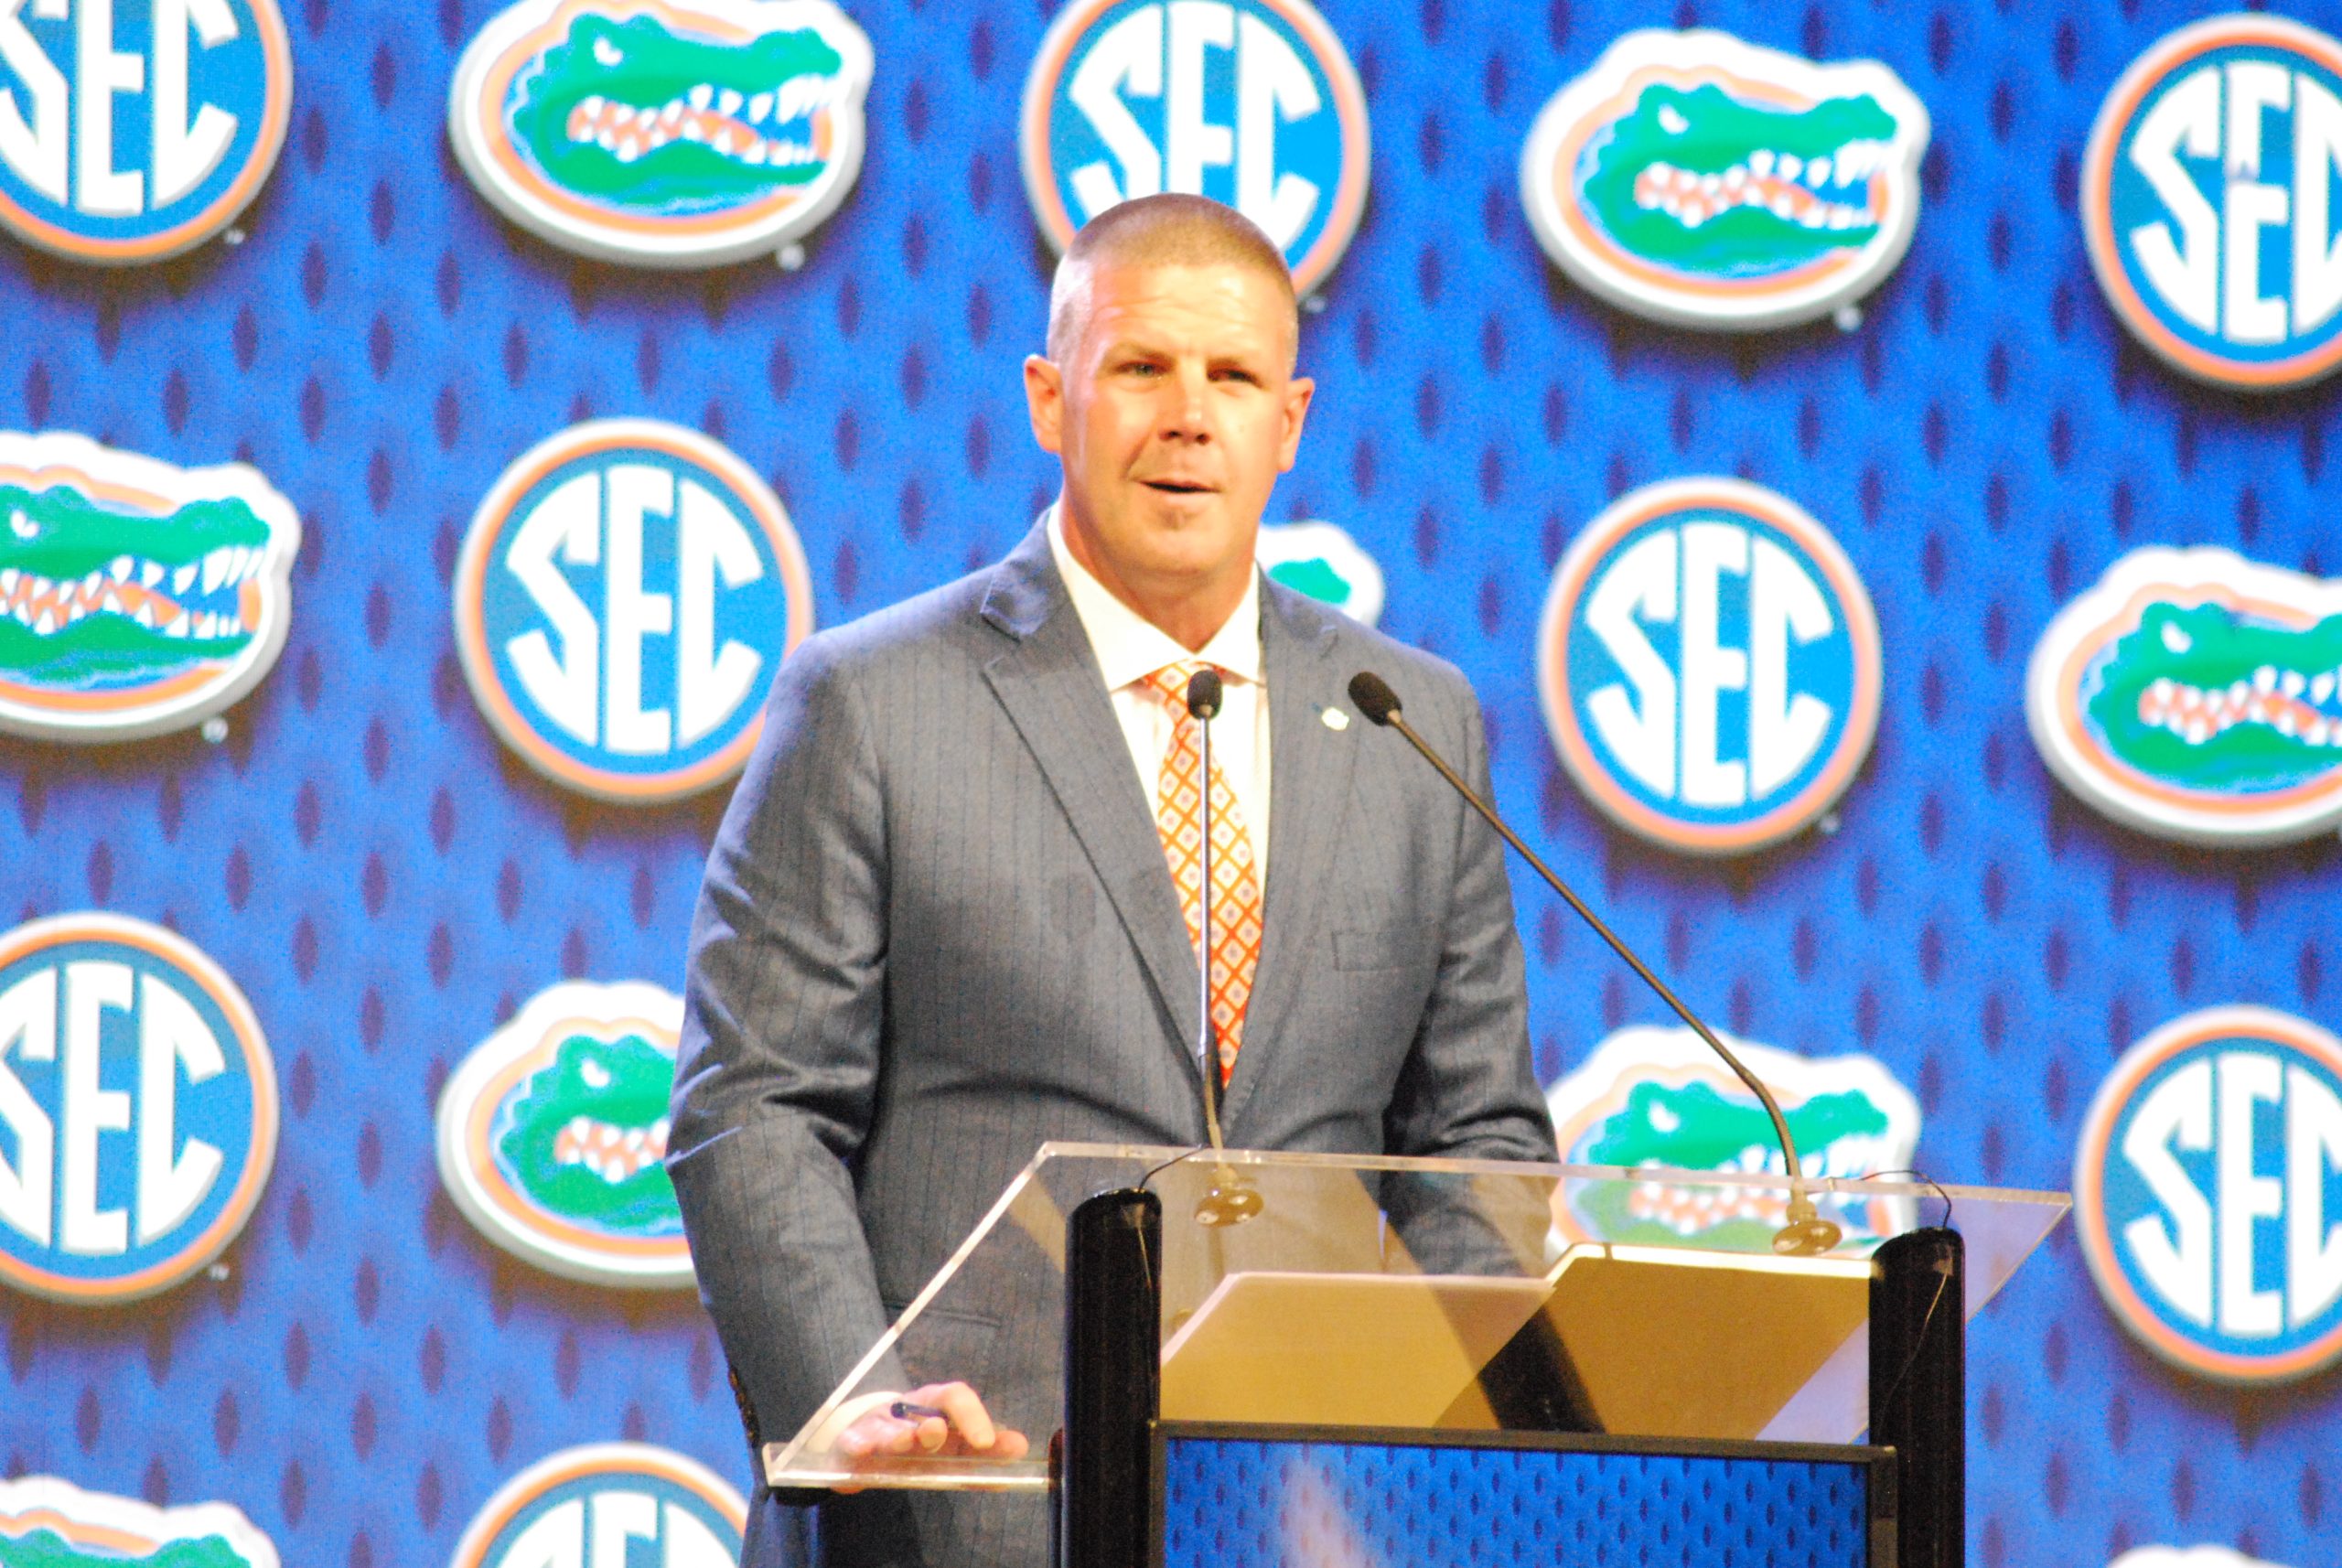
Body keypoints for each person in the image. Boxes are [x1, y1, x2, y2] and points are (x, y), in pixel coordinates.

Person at [667, 193, 1556, 1568]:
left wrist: (1443, 1445)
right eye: (1142, 367)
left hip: (1301, 1525)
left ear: (1291, 421)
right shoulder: (872, 703)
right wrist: (855, 1410)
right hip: (957, 1518)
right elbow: (755, 1107)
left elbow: (1479, 1140)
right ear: (1049, 395)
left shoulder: (1413, 722)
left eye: (1235, 377)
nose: (1190, 416)